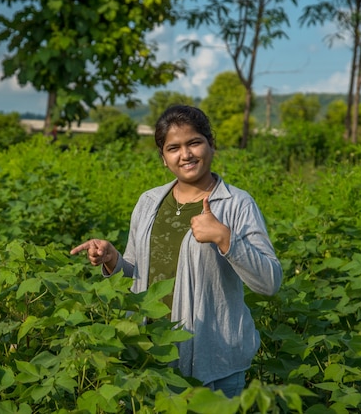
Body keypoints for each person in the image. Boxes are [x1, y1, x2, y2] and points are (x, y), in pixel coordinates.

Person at [70, 105, 282, 398]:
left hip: (215, 365)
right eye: (174, 147)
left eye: (194, 142)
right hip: (151, 359)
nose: (186, 154)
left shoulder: (237, 204)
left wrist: (225, 238)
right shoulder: (149, 202)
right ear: (163, 158)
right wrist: (113, 260)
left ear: (211, 145)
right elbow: (137, 274)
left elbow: (270, 283)